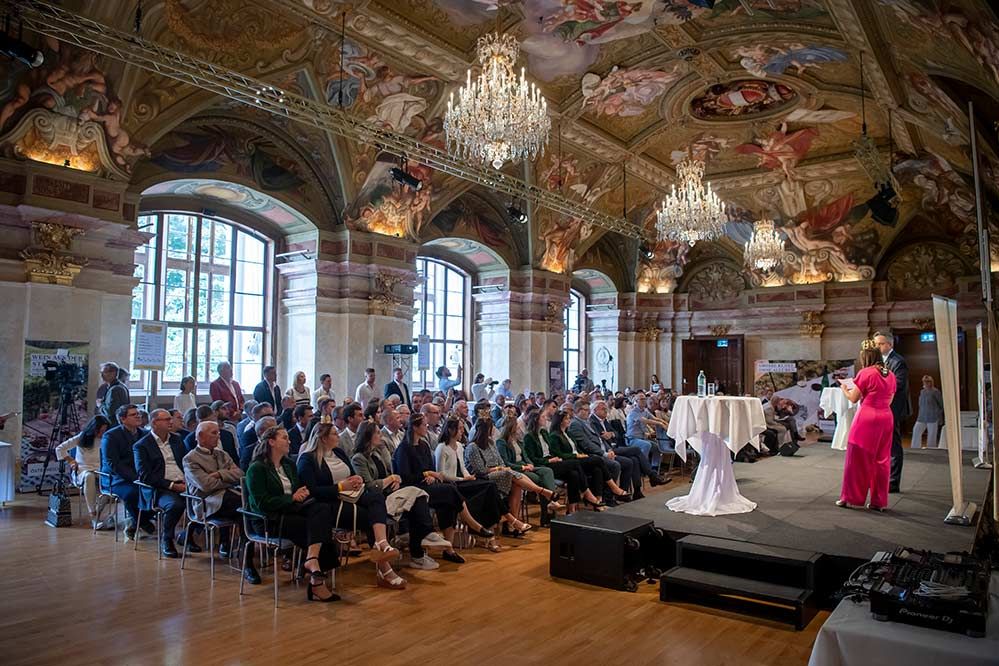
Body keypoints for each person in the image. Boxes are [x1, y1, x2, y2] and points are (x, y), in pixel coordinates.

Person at [297, 423, 407, 589]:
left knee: (376, 498)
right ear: (323, 438)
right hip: (329, 503)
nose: (338, 436)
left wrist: (356, 480)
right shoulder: (308, 459)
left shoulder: (339, 453)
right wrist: (340, 487)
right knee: (372, 516)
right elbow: (312, 490)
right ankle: (385, 568)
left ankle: (382, 543)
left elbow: (350, 474)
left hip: (351, 496)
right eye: (334, 434)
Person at [246, 425, 339, 602]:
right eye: (284, 438)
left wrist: (301, 493)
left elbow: (296, 489)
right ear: (271, 442)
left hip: (292, 510)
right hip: (269, 519)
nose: (289, 441)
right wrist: (291, 498)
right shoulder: (257, 468)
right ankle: (316, 584)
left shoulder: (288, 464)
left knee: (323, 510)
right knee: (318, 530)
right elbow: (261, 503)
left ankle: (312, 560)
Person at [351, 421, 454, 570]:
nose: (381, 436)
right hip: (375, 501)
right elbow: (369, 486)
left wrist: (395, 480)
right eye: (378, 433)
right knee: (417, 497)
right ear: (368, 436)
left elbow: (392, 475)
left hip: (390, 493)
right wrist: (391, 479)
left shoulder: (379, 453)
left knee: (418, 497)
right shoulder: (359, 459)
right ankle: (421, 546)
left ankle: (424, 541)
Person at [394, 414, 497, 554]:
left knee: (449, 502)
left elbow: (429, 469)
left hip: (427, 484)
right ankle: (473, 526)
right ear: (415, 427)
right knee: (450, 491)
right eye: (424, 425)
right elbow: (405, 477)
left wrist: (430, 476)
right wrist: (427, 474)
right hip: (413, 489)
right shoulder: (404, 449)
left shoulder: (423, 445)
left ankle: (449, 548)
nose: (427, 427)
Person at [182, 420, 259, 584]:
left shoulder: (222, 454)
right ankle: (246, 559)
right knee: (245, 508)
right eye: (214, 433)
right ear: (200, 436)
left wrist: (218, 474)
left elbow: (240, 474)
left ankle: (246, 558)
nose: (218, 436)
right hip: (207, 502)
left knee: (244, 512)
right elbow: (206, 485)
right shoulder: (190, 459)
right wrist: (227, 476)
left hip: (228, 497)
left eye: (218, 432)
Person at [465, 417, 553, 536]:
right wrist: (498, 468)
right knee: (508, 473)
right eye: (492, 428)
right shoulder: (473, 447)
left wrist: (501, 468)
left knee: (516, 484)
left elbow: (500, 461)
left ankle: (512, 526)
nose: (494, 430)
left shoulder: (491, 443)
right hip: (482, 478)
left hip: (498, 474)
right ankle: (542, 491)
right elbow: (480, 470)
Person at [837, 340, 897, 512]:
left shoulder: (866, 372)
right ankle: (878, 501)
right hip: (886, 417)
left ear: (865, 357)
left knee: (857, 458)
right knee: (882, 460)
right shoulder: (890, 374)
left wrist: (844, 388)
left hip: (867, 417)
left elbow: (854, 398)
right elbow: (890, 400)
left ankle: (850, 497)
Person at [133, 409, 191, 558]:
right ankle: (167, 539)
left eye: (170, 419)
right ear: (154, 423)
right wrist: (172, 485)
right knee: (176, 505)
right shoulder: (142, 446)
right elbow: (145, 476)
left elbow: (187, 463)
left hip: (184, 483)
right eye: (166, 420)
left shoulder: (176, 439)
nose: (170, 422)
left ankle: (187, 535)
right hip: (160, 488)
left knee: (210, 500)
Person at [521, 410, 604, 513]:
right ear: (536, 420)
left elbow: (551, 450)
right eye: (543, 417)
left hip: (553, 461)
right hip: (544, 464)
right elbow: (532, 458)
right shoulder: (529, 437)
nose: (546, 419)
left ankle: (571, 509)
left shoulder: (544, 433)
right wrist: (550, 460)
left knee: (573, 474)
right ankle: (587, 493)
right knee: (575, 463)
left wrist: (554, 458)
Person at [590, 399, 666, 496]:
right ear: (595, 410)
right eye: (603, 409)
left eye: (605, 409)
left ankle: (635, 491)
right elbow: (598, 437)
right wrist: (608, 437)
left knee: (634, 460)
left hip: (614, 445)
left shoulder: (604, 421)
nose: (606, 411)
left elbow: (617, 434)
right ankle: (652, 475)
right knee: (636, 450)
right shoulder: (592, 421)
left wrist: (612, 434)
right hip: (608, 449)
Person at [495, 416, 563, 524]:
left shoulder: (517, 440)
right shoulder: (501, 442)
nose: (518, 429)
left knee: (547, 471)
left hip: (525, 465)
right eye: (516, 427)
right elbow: (506, 462)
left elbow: (525, 456)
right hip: (516, 468)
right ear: (510, 428)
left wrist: (529, 464)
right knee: (539, 479)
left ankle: (550, 503)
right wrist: (523, 467)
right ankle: (548, 510)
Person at [100, 404, 150, 539]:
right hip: (116, 478)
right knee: (133, 493)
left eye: (138, 414)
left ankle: (136, 522)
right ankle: (143, 522)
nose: (138, 416)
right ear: (123, 419)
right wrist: (135, 477)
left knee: (156, 491)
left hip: (140, 475)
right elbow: (113, 463)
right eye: (134, 415)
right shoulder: (111, 436)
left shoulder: (145, 434)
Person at [56, 415, 112, 528]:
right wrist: (71, 461)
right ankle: (93, 515)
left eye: (104, 431)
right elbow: (60, 448)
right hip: (83, 471)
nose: (102, 434)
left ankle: (97, 513)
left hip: (101, 472)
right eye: (100, 431)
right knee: (89, 476)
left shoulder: (107, 439)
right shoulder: (82, 437)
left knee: (111, 485)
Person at [874, 332, 910, 492]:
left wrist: (878, 382)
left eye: (880, 344)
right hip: (882, 407)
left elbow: (899, 384)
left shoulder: (898, 361)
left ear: (889, 344)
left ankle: (894, 482)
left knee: (894, 445)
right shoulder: (879, 361)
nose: (877, 347)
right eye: (875, 344)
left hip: (893, 408)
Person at [912, 375, 944, 449]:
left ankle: (931, 449)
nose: (926, 383)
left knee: (931, 435)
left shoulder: (935, 392)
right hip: (922, 416)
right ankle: (915, 448)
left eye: (928, 381)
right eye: (925, 381)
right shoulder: (922, 392)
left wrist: (938, 416)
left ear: (931, 382)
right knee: (916, 430)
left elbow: (941, 404)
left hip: (933, 416)